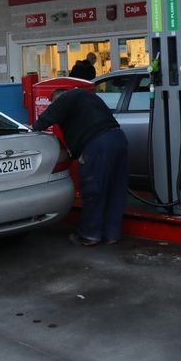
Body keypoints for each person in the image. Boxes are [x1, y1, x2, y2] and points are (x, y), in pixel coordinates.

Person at [32, 87, 129, 245]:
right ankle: (112, 234)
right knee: (115, 190)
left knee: (93, 190)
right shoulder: (87, 97)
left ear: (56, 100)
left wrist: (32, 128)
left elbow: (44, 120)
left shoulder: (65, 98)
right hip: (118, 139)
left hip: (98, 145)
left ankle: (90, 235)